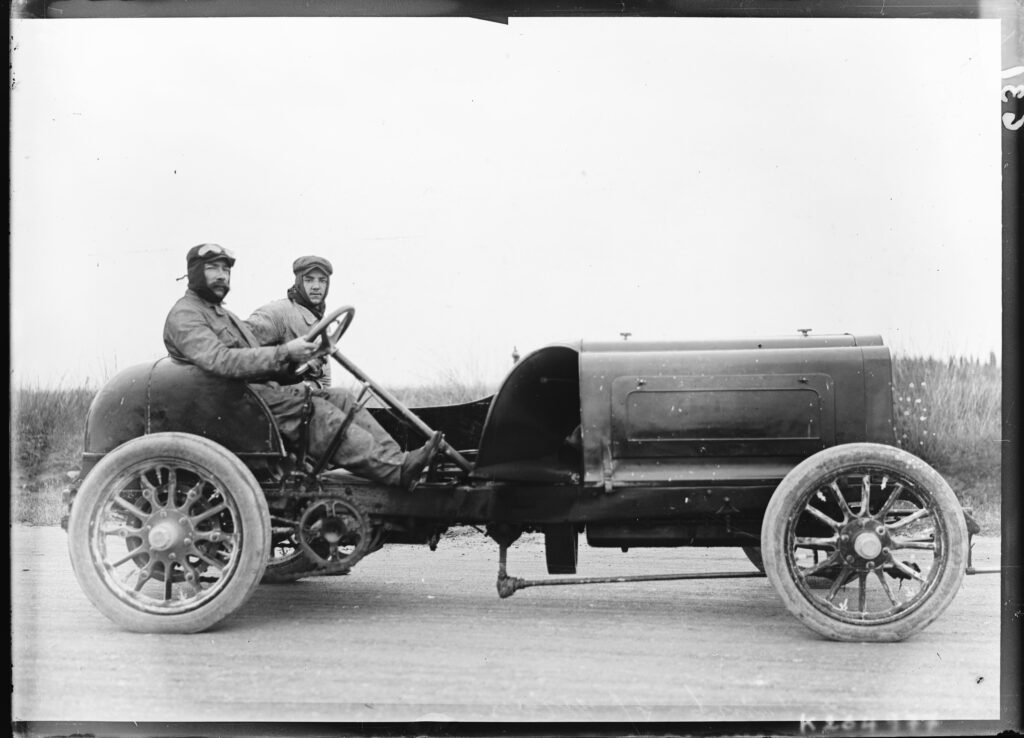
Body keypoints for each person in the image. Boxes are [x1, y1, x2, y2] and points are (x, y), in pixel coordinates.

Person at [162, 243, 441, 490]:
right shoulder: (186, 314)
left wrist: (295, 362)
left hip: (252, 399)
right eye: (212, 268)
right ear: (195, 272)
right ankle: (395, 470)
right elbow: (221, 361)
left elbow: (252, 360)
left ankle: (399, 465)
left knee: (341, 398)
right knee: (318, 412)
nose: (222, 275)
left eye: (225, 269)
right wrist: (285, 351)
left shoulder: (220, 314)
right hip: (234, 408)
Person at [247, 255, 335, 390]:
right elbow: (240, 352)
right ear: (299, 282)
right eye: (309, 280)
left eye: (322, 281)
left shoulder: (322, 323)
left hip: (305, 396)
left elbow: (325, 379)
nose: (316, 287)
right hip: (272, 397)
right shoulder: (276, 313)